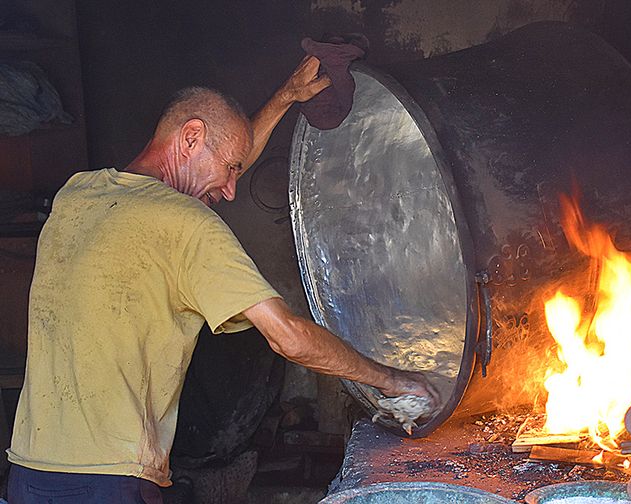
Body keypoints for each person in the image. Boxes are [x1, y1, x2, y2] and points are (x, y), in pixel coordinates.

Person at [6, 56, 441, 503]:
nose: (232, 190)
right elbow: (288, 337)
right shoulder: (187, 225)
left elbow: (204, 174)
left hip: (29, 468)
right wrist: (392, 381)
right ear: (191, 137)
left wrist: (285, 98)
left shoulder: (80, 192)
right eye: (233, 168)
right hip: (109, 481)